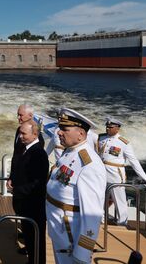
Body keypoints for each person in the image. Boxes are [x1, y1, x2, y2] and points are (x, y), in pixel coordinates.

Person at [46, 108, 106, 264]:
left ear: (81, 134)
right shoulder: (69, 152)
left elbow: (92, 213)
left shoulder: (89, 164)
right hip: (60, 230)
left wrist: (83, 252)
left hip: (70, 235)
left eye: (65, 129)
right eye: (60, 128)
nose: (59, 132)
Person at [7, 120, 49, 264]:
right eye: (20, 133)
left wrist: (16, 190)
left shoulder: (38, 153)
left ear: (35, 134)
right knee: (30, 240)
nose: (20, 136)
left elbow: (38, 183)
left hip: (33, 206)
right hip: (25, 204)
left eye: (24, 133)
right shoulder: (26, 149)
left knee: (36, 241)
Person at [96, 117, 146, 226]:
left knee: (119, 199)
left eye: (110, 127)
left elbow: (134, 161)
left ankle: (122, 222)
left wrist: (145, 179)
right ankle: (100, 219)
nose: (107, 129)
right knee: (100, 196)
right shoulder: (101, 138)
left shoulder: (123, 143)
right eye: (107, 127)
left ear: (117, 128)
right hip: (101, 171)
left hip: (115, 173)